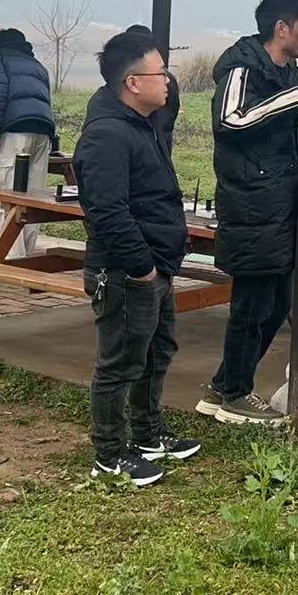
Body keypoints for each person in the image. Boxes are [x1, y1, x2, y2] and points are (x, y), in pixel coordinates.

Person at [75, 30, 199, 486]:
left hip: (156, 265)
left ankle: (148, 434)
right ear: (132, 83)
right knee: (120, 363)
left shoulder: (144, 123)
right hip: (127, 271)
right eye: (160, 73)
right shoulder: (106, 135)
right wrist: (141, 268)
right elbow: (107, 211)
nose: (168, 81)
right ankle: (109, 454)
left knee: (155, 353)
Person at [197, 0, 298, 425]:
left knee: (277, 304)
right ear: (281, 28)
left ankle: (224, 385)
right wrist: (294, 98)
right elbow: (229, 120)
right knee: (251, 305)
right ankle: (236, 395)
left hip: (278, 203)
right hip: (250, 204)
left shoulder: (287, 71)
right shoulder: (242, 68)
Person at [0, 28, 57, 257]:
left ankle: (11, 257)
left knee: (8, 195)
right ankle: (27, 255)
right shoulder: (37, 65)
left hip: (14, 131)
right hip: (43, 132)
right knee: (34, 197)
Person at [123, 24, 181, 155]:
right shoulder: (168, 78)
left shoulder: (126, 78)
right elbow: (173, 111)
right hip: (160, 141)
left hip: (153, 141)